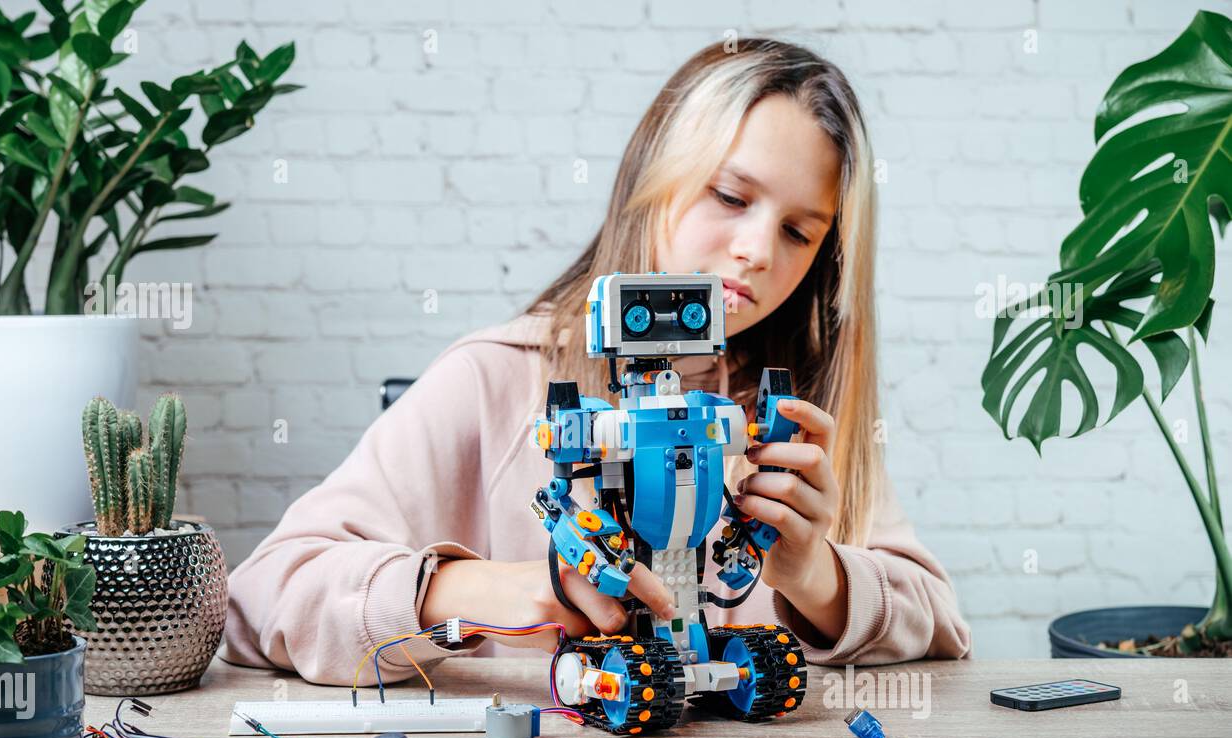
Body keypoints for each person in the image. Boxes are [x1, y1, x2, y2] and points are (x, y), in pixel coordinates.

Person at [221, 38, 972, 687]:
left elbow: (938, 618)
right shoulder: (497, 380)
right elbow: (260, 601)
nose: (757, 250)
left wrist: (818, 578)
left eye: (800, 233)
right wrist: (504, 589)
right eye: (730, 195)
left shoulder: (787, 419)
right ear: (655, 176)